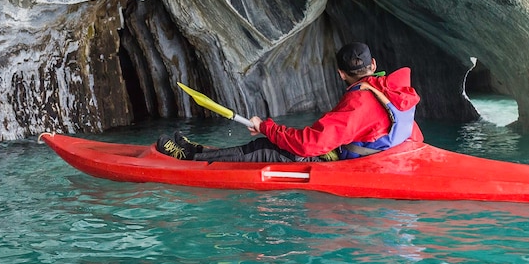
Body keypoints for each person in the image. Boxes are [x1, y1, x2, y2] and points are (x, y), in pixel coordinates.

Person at [156, 42, 423, 162]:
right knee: (269, 141)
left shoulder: (360, 102)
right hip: (373, 150)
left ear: (340, 73)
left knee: (264, 148)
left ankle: (187, 156)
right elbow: (410, 132)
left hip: (349, 159)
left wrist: (267, 128)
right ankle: (199, 149)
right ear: (373, 65)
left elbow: (310, 145)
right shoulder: (395, 89)